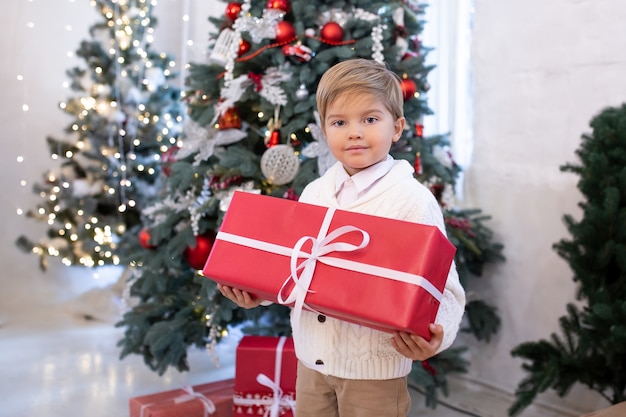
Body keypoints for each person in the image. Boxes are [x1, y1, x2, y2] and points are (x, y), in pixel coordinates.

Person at [218, 58, 466, 417]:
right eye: (339, 122)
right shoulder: (315, 193)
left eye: (370, 119)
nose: (355, 132)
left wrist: (435, 332)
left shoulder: (412, 200)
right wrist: (257, 293)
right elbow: (297, 270)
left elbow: (445, 287)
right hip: (311, 365)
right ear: (324, 130)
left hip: (374, 374)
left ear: (396, 127)